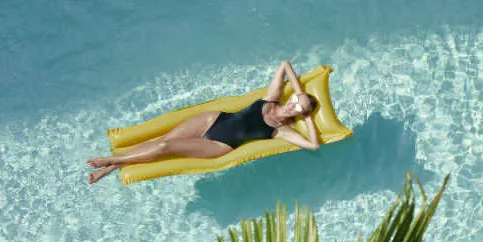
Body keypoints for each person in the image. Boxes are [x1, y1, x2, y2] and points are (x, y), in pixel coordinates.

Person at [87, 61, 321, 184]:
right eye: (294, 101)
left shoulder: (281, 131)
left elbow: (313, 145)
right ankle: (108, 169)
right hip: (214, 119)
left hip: (219, 145)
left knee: (163, 148)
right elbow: (285, 65)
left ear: (301, 114)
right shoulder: (271, 98)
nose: (293, 105)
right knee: (162, 140)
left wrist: (308, 116)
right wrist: (301, 92)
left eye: (299, 108)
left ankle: (110, 160)